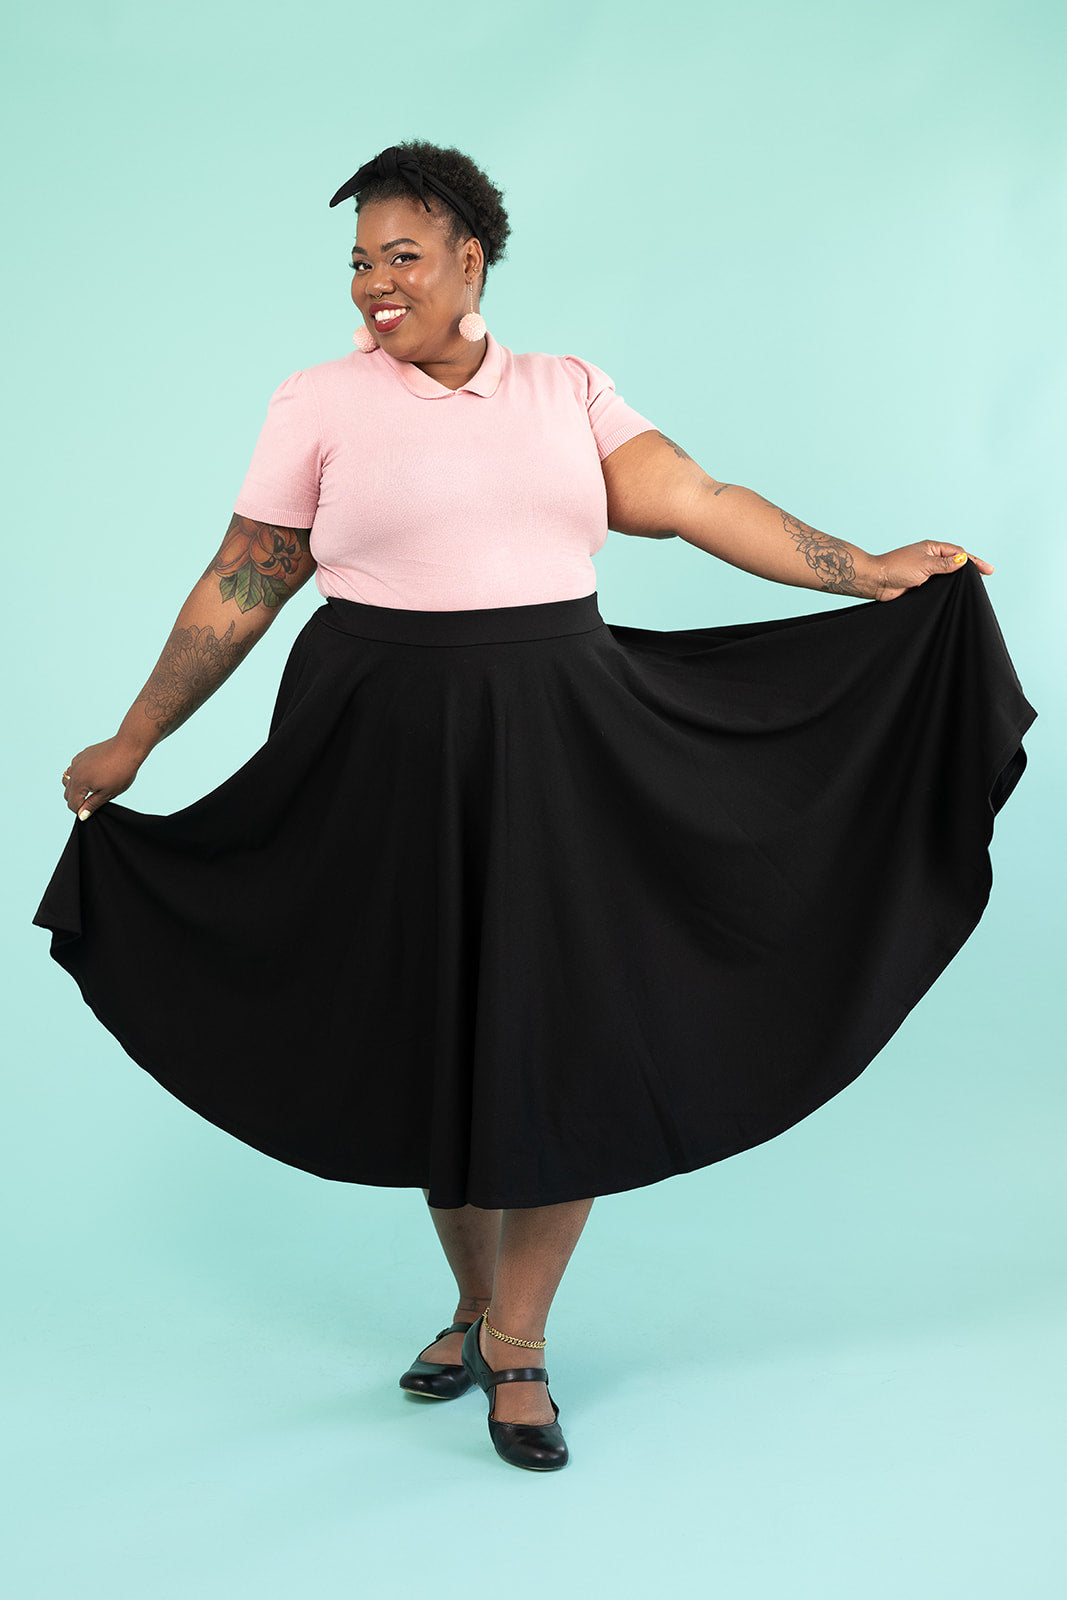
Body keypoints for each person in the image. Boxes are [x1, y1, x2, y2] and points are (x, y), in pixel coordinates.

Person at [33, 141, 1036, 1476]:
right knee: (430, 1034)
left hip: (559, 744)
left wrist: (862, 573)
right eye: (356, 262)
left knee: (556, 1036)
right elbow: (246, 579)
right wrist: (138, 734)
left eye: (401, 256)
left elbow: (695, 501)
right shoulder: (319, 401)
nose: (373, 285)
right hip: (372, 747)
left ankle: (520, 1344)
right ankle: (467, 1302)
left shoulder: (567, 390)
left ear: (469, 261)